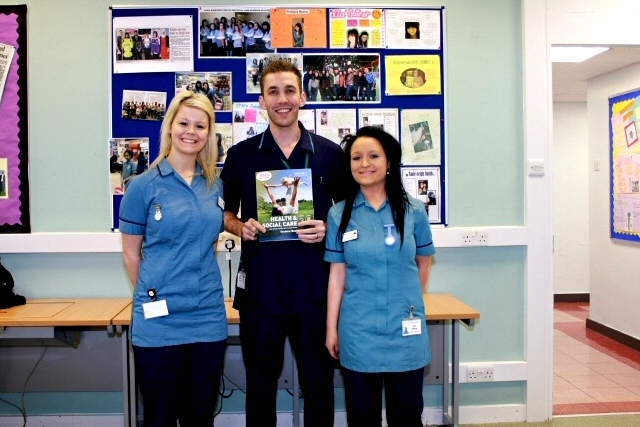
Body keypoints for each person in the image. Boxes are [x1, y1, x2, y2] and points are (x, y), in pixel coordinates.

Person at [220, 59, 348, 427]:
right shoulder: (241, 155)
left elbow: (350, 215)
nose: (282, 99)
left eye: (289, 90)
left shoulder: (329, 153)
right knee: (260, 387)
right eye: (273, 91)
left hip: (316, 291)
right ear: (262, 100)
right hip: (262, 290)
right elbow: (225, 213)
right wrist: (238, 226)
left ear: (303, 97)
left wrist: (327, 228)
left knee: (319, 384)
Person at [119, 90, 226, 427]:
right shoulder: (142, 186)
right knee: (160, 416)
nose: (190, 132)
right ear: (169, 127)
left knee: (200, 415)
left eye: (200, 125)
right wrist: (156, 291)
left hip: (207, 315)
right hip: (158, 320)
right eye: (183, 123)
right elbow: (131, 254)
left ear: (209, 133)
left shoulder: (215, 186)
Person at [325, 126, 435, 427]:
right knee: (362, 417)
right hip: (358, 330)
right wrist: (331, 329)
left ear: (389, 163)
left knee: (408, 415)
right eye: (356, 157)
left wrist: (410, 299)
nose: (364, 164)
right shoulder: (339, 214)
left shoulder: (414, 210)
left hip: (405, 328)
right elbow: (337, 273)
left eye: (373, 156)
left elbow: (424, 262)